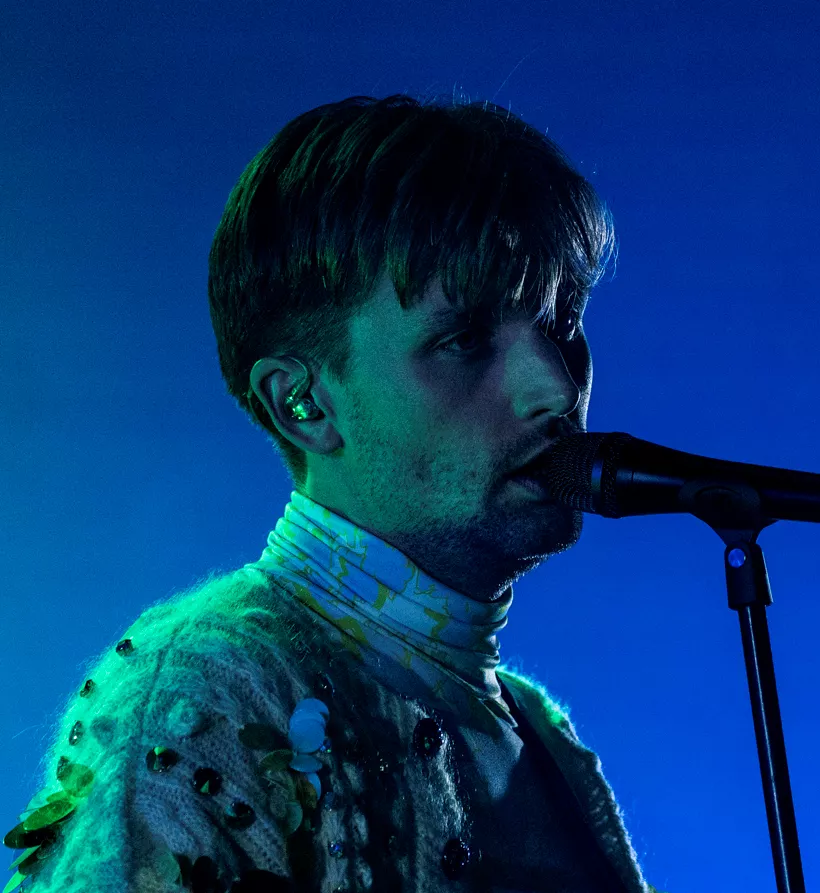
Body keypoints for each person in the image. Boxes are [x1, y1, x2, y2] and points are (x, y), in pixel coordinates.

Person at [4, 95, 665, 893]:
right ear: (304, 403)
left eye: (562, 323)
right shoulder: (196, 691)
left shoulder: (544, 735)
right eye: (464, 339)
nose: (556, 388)